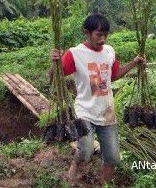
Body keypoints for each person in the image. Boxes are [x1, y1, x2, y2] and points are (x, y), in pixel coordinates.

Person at [48, 13, 145, 186]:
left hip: (107, 112)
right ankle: (76, 162)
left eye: (105, 35)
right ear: (86, 32)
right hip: (85, 111)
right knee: (86, 152)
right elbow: (55, 78)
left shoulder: (109, 52)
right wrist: (53, 63)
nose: (103, 39)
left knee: (113, 157)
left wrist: (134, 63)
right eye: (99, 34)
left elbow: (113, 76)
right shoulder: (74, 54)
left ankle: (104, 184)